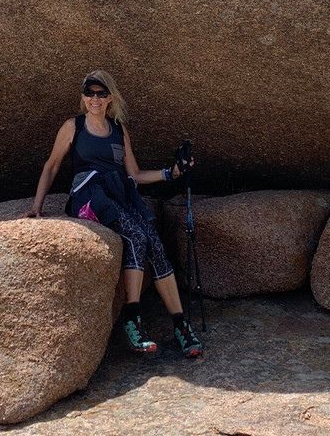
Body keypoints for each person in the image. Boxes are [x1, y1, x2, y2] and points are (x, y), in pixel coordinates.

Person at [24, 70, 203, 358]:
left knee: (154, 241)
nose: (95, 98)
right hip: (87, 195)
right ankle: (133, 322)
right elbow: (51, 166)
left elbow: (134, 174)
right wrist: (37, 206)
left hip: (117, 193)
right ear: (83, 97)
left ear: (110, 97)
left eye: (101, 93)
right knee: (134, 236)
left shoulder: (119, 130)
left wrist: (172, 173)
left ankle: (181, 326)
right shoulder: (74, 127)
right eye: (90, 92)